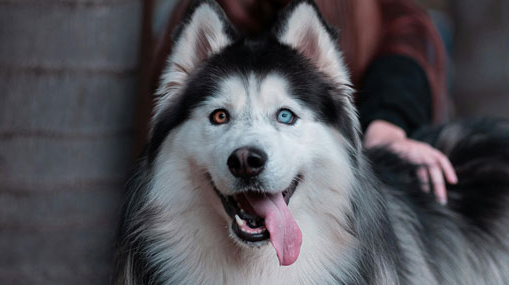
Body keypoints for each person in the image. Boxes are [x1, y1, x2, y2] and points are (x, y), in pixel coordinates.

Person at [153, 0, 458, 204]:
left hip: (355, 157)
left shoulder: (380, 15)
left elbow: (402, 45)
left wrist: (387, 126)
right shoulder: (210, 12)